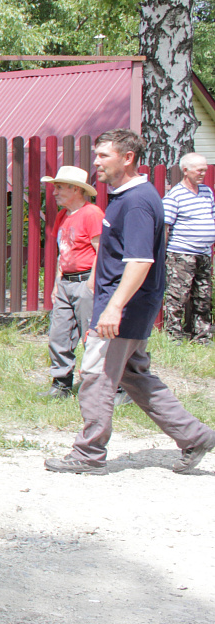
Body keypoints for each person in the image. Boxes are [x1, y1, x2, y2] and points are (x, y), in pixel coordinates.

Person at [46, 130, 215, 475]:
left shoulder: (138, 200)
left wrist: (113, 307)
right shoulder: (125, 196)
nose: (96, 162)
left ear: (127, 158)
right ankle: (195, 436)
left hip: (123, 309)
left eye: (104, 155)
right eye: (97, 155)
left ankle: (88, 454)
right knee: (136, 377)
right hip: (126, 306)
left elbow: (140, 261)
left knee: (96, 375)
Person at [40, 166, 103, 397]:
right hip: (67, 282)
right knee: (59, 333)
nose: (54, 192)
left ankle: (101, 385)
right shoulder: (62, 216)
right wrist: (58, 283)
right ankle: (61, 383)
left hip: (85, 281)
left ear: (75, 189)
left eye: (59, 187)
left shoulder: (92, 213)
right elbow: (62, 251)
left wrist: (92, 283)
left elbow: (102, 250)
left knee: (92, 335)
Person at [160, 151, 215, 343]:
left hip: (204, 253)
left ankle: (201, 336)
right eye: (199, 170)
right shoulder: (175, 195)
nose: (202, 174)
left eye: (205, 170)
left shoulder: (207, 192)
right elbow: (165, 227)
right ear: (185, 170)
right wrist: (164, 254)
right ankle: (173, 337)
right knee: (177, 297)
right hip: (181, 253)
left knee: (203, 296)